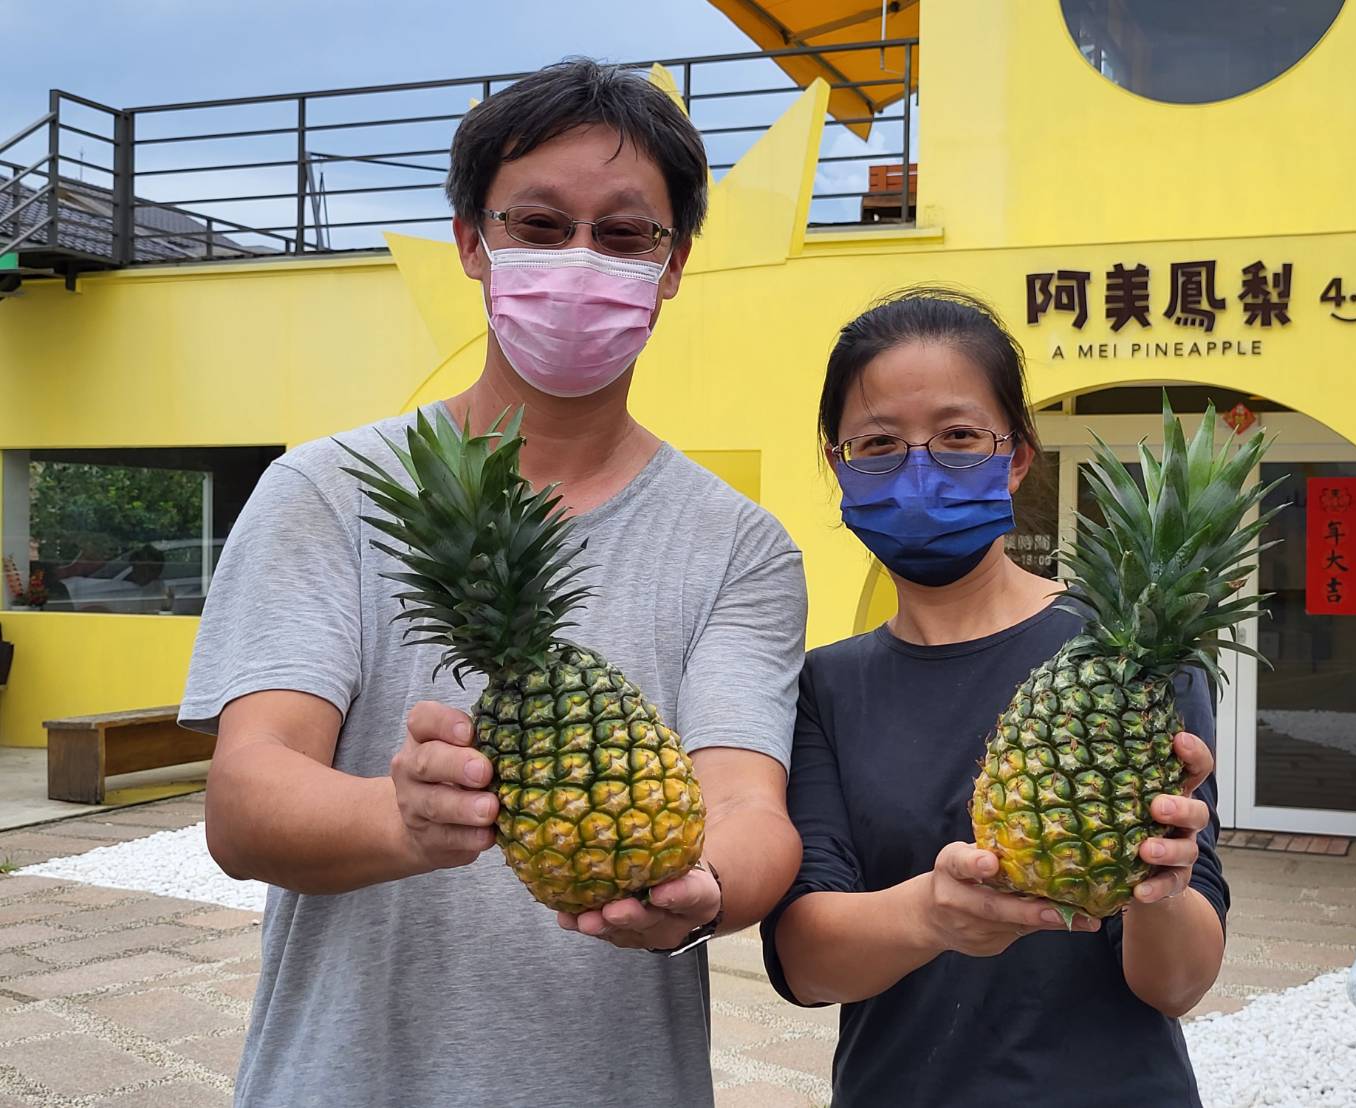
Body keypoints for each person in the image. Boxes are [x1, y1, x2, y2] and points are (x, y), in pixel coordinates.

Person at [181, 60, 807, 1108]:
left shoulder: (739, 545)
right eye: (539, 224)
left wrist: (704, 891)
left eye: (624, 235)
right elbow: (245, 800)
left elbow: (748, 801)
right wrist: (401, 819)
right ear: (472, 242)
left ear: (673, 263)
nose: (579, 260)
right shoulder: (329, 492)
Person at [759, 289, 1228, 1107]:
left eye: (957, 436)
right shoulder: (823, 686)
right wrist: (931, 916)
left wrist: (1163, 888)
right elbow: (804, 963)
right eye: (877, 443)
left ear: (1014, 457)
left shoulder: (1128, 661)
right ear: (838, 465)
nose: (917, 467)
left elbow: (1177, 986)